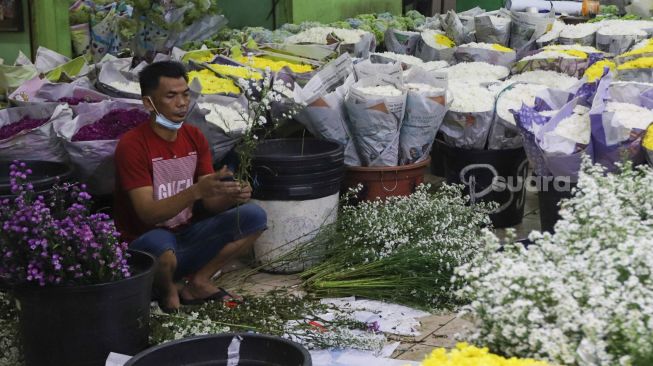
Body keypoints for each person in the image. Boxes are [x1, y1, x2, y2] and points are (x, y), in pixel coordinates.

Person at [114, 61, 267, 312]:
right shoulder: (132, 145)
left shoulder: (194, 136)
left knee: (253, 217)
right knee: (161, 246)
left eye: (185, 94)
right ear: (148, 103)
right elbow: (147, 214)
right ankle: (167, 291)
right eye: (171, 96)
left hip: (186, 238)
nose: (182, 103)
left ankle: (199, 281)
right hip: (145, 247)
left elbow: (209, 203)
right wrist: (195, 190)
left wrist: (231, 195)